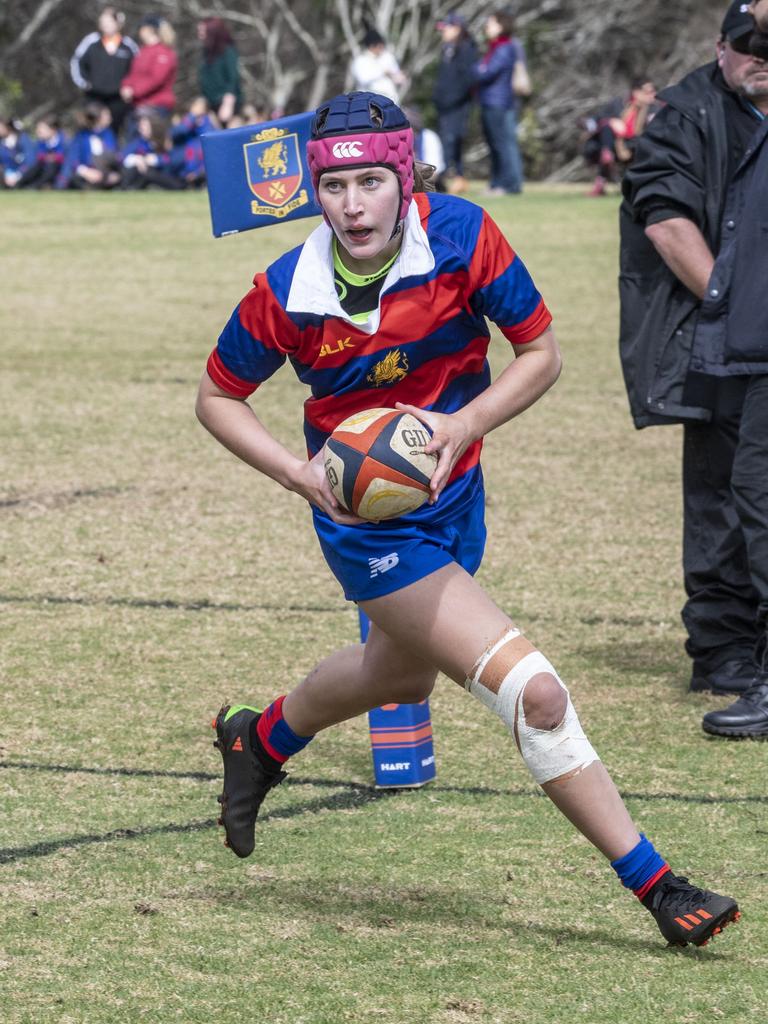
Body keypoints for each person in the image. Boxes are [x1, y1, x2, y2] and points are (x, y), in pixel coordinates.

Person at [196, 90, 740, 948]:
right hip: (367, 526)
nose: (352, 204)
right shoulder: (289, 290)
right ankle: (660, 887)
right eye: (333, 187)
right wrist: (302, 476)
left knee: (397, 678)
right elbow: (217, 398)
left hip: (454, 498)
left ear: (403, 179)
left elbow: (541, 354)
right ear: (315, 191)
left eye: (371, 182)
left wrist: (462, 425)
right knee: (537, 693)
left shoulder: (461, 237)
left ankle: (259, 741)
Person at [619, 1, 768, 734]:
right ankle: (725, 649)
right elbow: (665, 216)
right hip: (723, 340)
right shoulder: (685, 111)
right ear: (720, 48)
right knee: (725, 496)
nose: (760, 56)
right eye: (748, 44)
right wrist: (731, 305)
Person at [474, 10, 524, 194]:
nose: (487, 27)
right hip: (490, 100)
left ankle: (509, 184)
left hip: (498, 102)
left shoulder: (505, 47)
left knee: (502, 144)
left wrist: (477, 69)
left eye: (491, 23)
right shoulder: (495, 46)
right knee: (494, 145)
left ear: (501, 26)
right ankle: (496, 183)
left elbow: (487, 71)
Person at [70, 6, 138, 137]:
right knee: (89, 133)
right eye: (103, 22)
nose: (105, 25)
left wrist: (130, 88)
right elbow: (76, 62)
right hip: (94, 97)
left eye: (109, 22)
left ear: (118, 24)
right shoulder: (91, 41)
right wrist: (84, 84)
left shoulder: (129, 46)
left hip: (118, 100)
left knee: (114, 133)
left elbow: (137, 70)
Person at [583, 78, 657, 196]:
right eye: (648, 92)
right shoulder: (618, 104)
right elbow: (593, 121)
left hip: (636, 146)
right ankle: (606, 159)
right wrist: (610, 122)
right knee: (605, 129)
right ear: (636, 92)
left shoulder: (654, 111)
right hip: (613, 144)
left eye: (653, 91)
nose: (653, 95)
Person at [432, 13, 477, 193]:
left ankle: (445, 178)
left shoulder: (467, 49)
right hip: (445, 104)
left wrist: (452, 99)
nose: (443, 32)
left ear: (457, 29)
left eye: (447, 28)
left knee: (452, 140)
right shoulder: (447, 49)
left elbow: (467, 80)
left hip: (457, 105)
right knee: (449, 140)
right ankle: (457, 177)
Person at [119, 14, 177, 128]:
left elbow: (157, 78)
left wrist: (134, 91)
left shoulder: (163, 52)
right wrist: (125, 86)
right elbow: (133, 74)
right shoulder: (143, 51)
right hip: (138, 105)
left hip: (156, 106)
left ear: (149, 30)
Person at [56, 102, 119, 189]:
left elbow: (114, 157)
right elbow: (73, 159)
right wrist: (86, 172)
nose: (110, 118)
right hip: (86, 173)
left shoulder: (109, 134)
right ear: (98, 118)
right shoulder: (82, 136)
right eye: (106, 115)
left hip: (105, 173)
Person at [197, 17, 242, 128]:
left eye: (202, 31)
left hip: (227, 104)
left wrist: (228, 103)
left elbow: (233, 77)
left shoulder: (227, 51)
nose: (199, 34)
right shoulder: (206, 53)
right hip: (212, 105)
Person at [349, 29, 407, 103]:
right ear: (371, 46)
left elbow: (396, 74)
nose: (382, 48)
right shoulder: (360, 61)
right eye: (379, 46)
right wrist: (383, 72)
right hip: (370, 102)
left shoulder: (388, 57)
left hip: (390, 100)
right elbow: (363, 79)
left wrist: (400, 78)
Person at [0, 116, 36, 187]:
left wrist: (17, 175)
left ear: (7, 126)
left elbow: (30, 161)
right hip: (6, 176)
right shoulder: (2, 143)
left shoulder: (23, 139)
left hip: (22, 175)